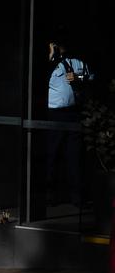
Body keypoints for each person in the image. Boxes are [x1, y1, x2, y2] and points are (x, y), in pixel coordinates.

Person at [45, 38, 93, 207]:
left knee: (74, 155)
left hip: (73, 113)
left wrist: (78, 77)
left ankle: (76, 197)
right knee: (53, 154)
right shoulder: (50, 63)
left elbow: (91, 76)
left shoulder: (78, 61)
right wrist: (51, 57)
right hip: (55, 114)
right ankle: (51, 195)